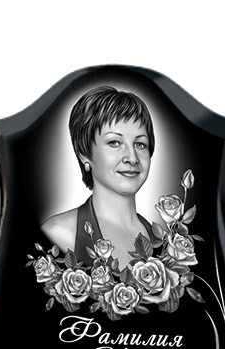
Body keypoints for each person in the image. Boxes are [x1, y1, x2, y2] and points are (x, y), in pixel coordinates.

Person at [42, 85, 156, 270]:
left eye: (140, 144)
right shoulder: (57, 234)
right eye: (114, 143)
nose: (132, 158)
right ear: (84, 155)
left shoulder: (162, 241)